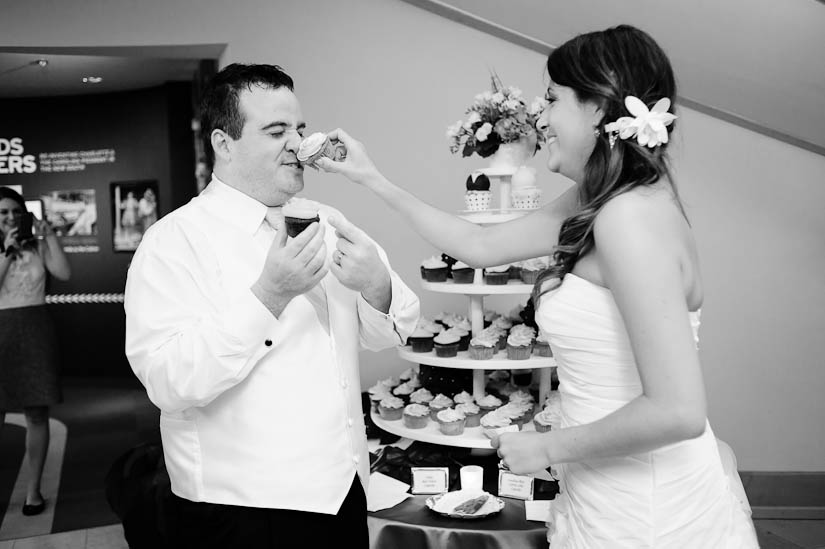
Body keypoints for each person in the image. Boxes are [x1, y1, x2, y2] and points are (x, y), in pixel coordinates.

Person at [318, 25, 758, 547]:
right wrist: (372, 179)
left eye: (551, 99)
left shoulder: (628, 220)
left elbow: (678, 411)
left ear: (597, 107)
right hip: (602, 487)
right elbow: (479, 246)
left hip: (649, 507)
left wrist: (545, 448)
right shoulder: (600, 201)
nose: (540, 118)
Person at [124, 63, 419, 548]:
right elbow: (169, 381)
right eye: (277, 130)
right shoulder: (173, 242)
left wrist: (378, 286)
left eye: (300, 128)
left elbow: (394, 329)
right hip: (239, 513)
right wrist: (269, 296)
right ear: (224, 143)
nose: (299, 143)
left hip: (343, 494)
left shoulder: (326, 219)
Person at [0, 186, 71, 516]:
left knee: (36, 413)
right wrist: (5, 251)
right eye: (3, 213)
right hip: (2, 333)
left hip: (36, 330)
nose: (11, 218)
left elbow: (64, 273)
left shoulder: (37, 244)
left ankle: (33, 491)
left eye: (16, 211)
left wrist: (49, 238)